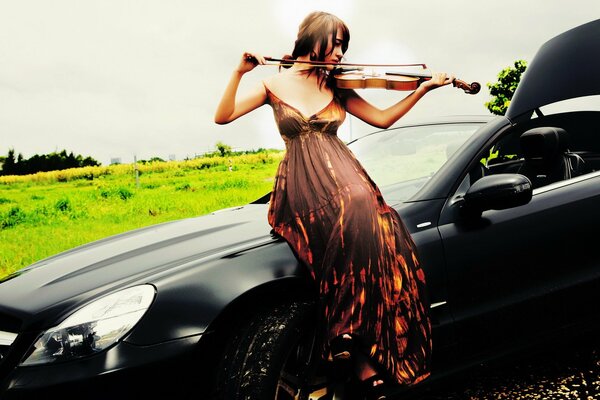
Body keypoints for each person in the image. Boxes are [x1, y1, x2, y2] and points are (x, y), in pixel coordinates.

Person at [214, 11, 453, 399]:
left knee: (374, 237)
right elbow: (222, 116)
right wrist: (239, 72)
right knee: (354, 222)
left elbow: (382, 119)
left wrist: (421, 90)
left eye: (344, 45)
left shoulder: (336, 85)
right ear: (312, 39)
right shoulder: (273, 83)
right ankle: (347, 338)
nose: (340, 53)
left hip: (344, 174)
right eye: (335, 43)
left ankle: (356, 344)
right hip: (301, 181)